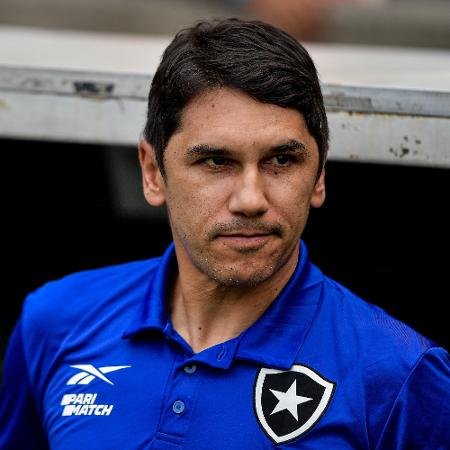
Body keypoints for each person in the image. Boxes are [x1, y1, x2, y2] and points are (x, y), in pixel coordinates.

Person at [1, 18, 449, 450]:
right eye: (216, 161)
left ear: (319, 176)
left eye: (281, 160)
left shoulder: (400, 374)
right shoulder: (55, 321)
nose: (250, 199)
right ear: (153, 172)